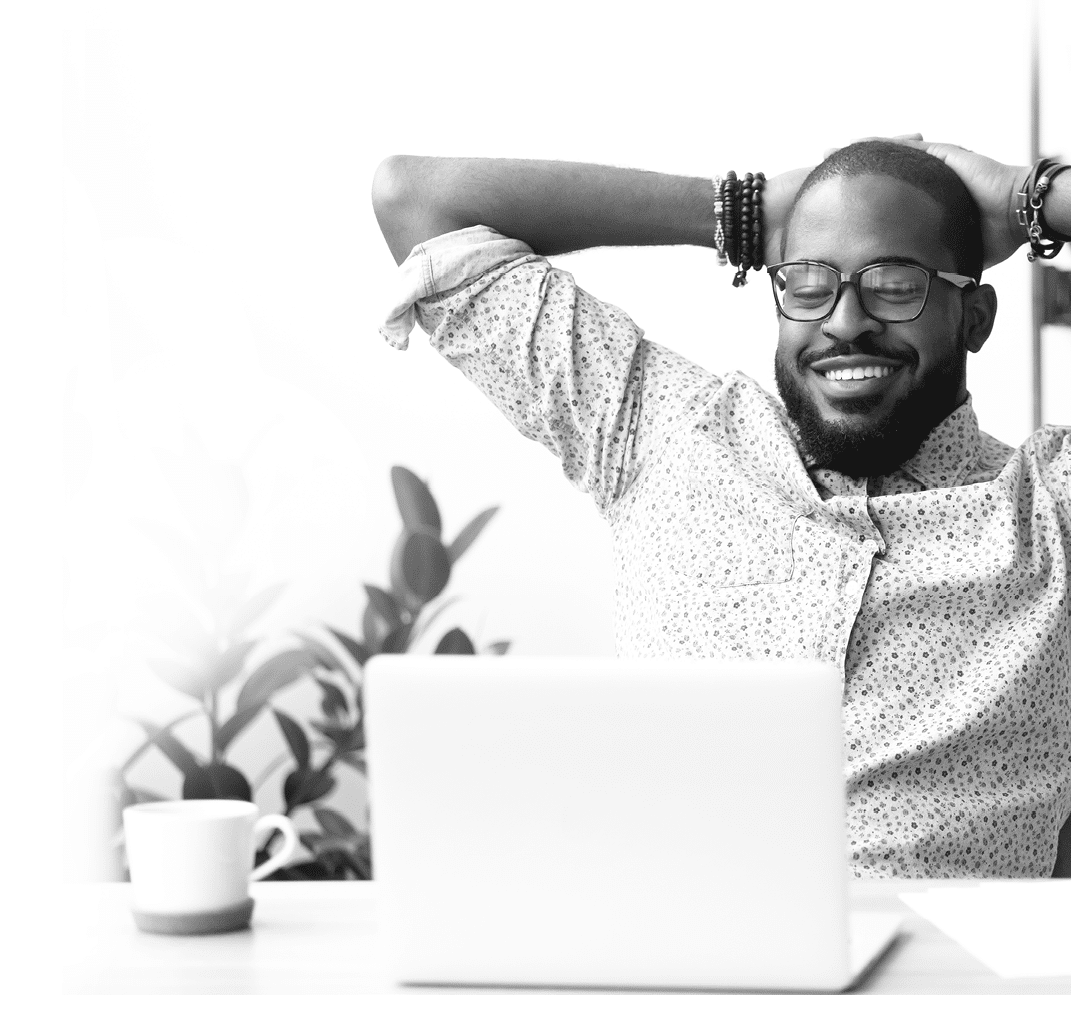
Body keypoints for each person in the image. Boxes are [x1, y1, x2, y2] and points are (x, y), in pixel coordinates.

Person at [371, 139, 1071, 878]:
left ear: (976, 318)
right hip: (680, 978)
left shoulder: (1049, 504)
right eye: (806, 283)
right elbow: (416, 199)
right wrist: (746, 215)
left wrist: (1033, 198)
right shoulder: (661, 430)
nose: (844, 321)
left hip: (951, 987)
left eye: (896, 286)